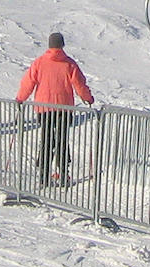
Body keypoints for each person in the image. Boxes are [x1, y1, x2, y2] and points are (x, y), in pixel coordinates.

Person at [17, 32, 94, 186]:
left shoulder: (39, 63)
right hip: (64, 108)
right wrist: (88, 98)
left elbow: (28, 82)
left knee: (46, 140)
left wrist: (20, 98)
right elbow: (79, 84)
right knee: (62, 140)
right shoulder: (69, 64)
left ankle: (44, 176)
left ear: (49, 45)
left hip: (44, 108)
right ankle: (64, 172)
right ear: (62, 45)